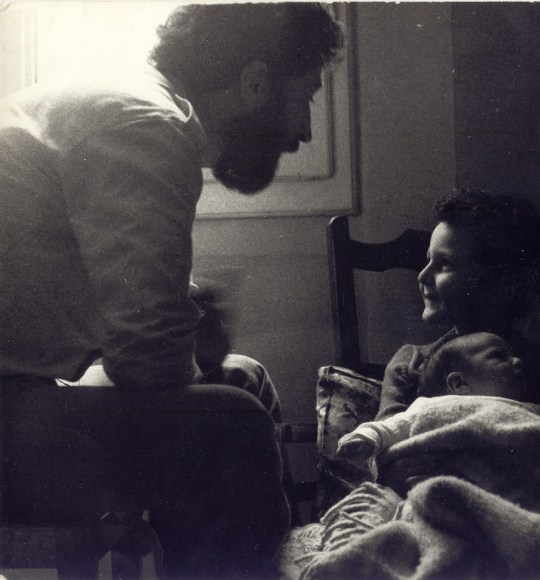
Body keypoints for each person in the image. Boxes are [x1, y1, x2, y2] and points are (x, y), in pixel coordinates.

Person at [0, 3, 343, 578]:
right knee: (232, 426)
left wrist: (185, 331)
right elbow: (147, 356)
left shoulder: (126, 106)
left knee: (243, 378)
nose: (305, 131)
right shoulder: (144, 124)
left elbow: (110, 305)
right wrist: (180, 340)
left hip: (20, 391)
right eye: (305, 97)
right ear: (255, 82)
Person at [375, 188, 540, 490]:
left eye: (444, 264)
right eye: (428, 260)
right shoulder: (411, 362)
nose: (422, 276)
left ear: (498, 282)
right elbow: (386, 455)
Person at [339, 332, 540, 489]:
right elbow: (392, 426)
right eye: (499, 357)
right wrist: (364, 438)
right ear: (459, 383)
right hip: (440, 491)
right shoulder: (430, 405)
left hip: (513, 497)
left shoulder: (536, 411)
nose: (517, 362)